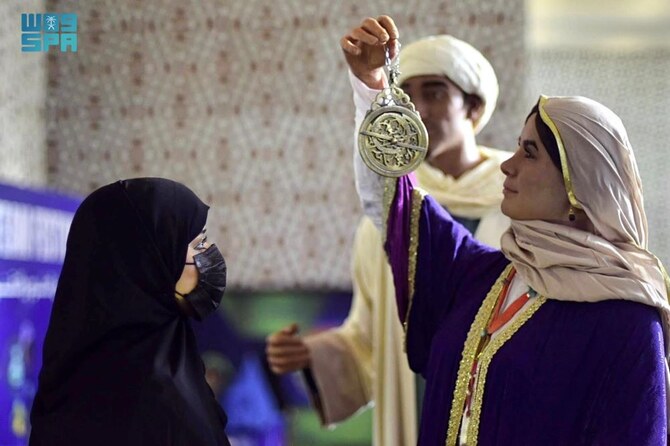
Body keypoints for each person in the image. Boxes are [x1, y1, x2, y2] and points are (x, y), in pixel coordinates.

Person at [346, 15, 670, 446]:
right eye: (517, 146)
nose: (507, 164)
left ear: (579, 185)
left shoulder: (625, 320)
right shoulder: (479, 276)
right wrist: (373, 89)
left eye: (529, 153)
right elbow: (393, 202)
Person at [266, 18, 510, 446]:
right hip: (415, 415)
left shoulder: (519, 200)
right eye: (406, 94)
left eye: (433, 92)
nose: (416, 108)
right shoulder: (385, 217)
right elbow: (370, 337)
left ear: (472, 108)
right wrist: (314, 357)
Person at [29, 178, 231, 446]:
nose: (208, 257)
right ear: (151, 261)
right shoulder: (159, 404)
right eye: (197, 244)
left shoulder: (71, 373)